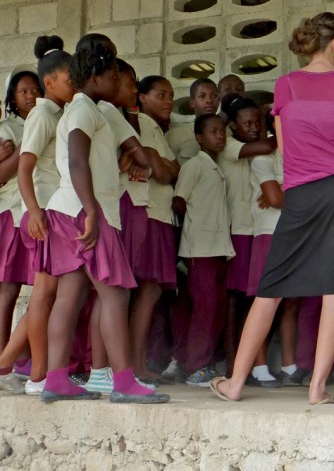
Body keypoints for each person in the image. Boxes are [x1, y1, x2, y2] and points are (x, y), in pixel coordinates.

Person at [209, 12, 334, 405]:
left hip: (301, 193)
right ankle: (317, 389)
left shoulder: (284, 86)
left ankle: (234, 384)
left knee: (270, 288)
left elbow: (284, 149)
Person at [41, 40, 168, 404]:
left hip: (70, 209)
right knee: (115, 294)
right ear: (96, 77)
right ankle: (124, 382)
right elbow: (77, 161)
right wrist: (93, 211)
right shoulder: (85, 111)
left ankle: (56, 379)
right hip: (85, 210)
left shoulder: (86, 109)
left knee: (71, 295)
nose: (118, 81)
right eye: (114, 75)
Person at [0, 40, 68, 396]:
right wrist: (36, 212)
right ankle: (37, 372)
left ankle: (9, 363)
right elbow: (24, 168)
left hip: (48, 211)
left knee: (47, 291)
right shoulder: (40, 116)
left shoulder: (54, 114)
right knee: (43, 292)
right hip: (40, 212)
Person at [172, 113, 235, 387]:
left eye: (222, 131)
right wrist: (194, 226)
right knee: (205, 308)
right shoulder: (195, 166)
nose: (219, 136)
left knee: (216, 308)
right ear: (199, 138)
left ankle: (202, 363)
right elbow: (178, 201)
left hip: (218, 248)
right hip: (200, 249)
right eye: (213, 132)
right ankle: (195, 367)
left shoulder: (216, 167)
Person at [216, 97, 276, 378]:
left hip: (254, 230)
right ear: (232, 126)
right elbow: (267, 145)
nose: (253, 128)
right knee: (234, 302)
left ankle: (250, 362)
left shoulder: (259, 154)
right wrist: (284, 131)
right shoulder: (229, 145)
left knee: (253, 300)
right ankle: (232, 364)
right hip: (236, 231)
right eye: (247, 123)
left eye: (258, 123)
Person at [129, 75, 180, 382]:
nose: (168, 100)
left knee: (151, 292)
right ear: (142, 98)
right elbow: (162, 172)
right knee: (144, 291)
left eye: (171, 95)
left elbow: (174, 171)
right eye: (161, 94)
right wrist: (159, 163)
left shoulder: (157, 131)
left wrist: (159, 162)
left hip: (160, 215)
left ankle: (136, 362)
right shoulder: (141, 123)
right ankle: (134, 363)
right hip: (147, 213)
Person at [245, 111, 294, 385]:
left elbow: (285, 195)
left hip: (293, 233)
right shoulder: (262, 158)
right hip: (268, 233)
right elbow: (275, 199)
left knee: (290, 302)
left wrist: (284, 191)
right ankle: (259, 366)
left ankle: (289, 365)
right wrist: (289, 193)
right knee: (264, 300)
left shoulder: (299, 155)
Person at [0, 66, 41, 357]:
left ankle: (22, 358)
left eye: (35, 90)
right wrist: (25, 145)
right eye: (23, 91)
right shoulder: (7, 129)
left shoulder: (45, 120)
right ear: (13, 97)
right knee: (8, 290)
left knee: (38, 289)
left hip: (35, 213)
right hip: (12, 213)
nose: (30, 96)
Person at [166, 78, 218, 165]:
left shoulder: (226, 133)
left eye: (214, 96)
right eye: (202, 96)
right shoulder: (176, 134)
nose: (209, 100)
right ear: (192, 103)